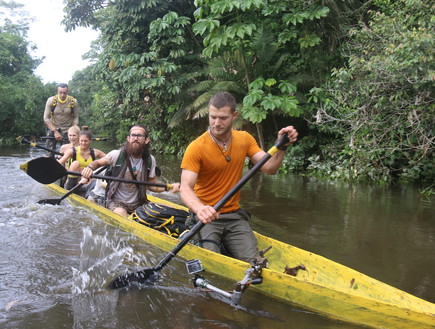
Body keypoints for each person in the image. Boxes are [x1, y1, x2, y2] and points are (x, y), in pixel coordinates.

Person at [180, 91, 298, 262]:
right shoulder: (196, 147)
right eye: (212, 117)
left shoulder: (245, 139)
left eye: (223, 118)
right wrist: (200, 209)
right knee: (211, 261)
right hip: (206, 217)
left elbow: (269, 168)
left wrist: (282, 146)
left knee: (255, 262)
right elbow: (185, 188)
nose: (216, 123)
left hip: (234, 216)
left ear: (234, 115)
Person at [81, 124, 181, 217]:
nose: (136, 138)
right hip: (115, 202)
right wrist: (89, 168)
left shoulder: (150, 160)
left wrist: (169, 187)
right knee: (121, 213)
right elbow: (97, 163)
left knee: (171, 210)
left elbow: (152, 184)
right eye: (133, 135)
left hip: (139, 202)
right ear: (128, 138)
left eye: (140, 135)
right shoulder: (117, 155)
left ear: (146, 140)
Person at [43, 83, 79, 155]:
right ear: (57, 91)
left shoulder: (73, 102)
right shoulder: (51, 100)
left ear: (67, 92)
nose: (62, 95)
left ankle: (66, 164)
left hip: (67, 129)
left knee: (68, 153)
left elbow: (76, 117)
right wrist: (55, 131)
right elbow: (46, 118)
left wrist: (74, 129)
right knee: (49, 152)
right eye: (60, 92)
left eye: (64, 93)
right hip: (53, 128)